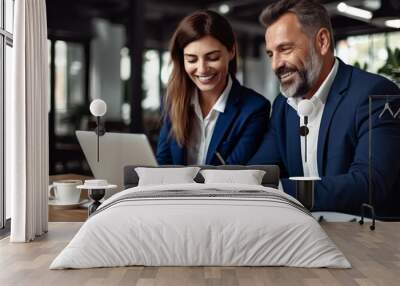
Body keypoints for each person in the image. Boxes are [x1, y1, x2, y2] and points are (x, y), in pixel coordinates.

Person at [249, 0, 400, 217]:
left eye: (285, 49)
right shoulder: (284, 106)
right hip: (309, 236)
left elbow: (369, 184)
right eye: (271, 54)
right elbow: (259, 170)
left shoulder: (376, 95)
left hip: (371, 239)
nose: (276, 65)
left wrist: (279, 191)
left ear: (322, 41)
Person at [157, 10, 271, 165]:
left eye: (212, 58)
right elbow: (163, 164)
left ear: (231, 51)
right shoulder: (173, 102)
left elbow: (233, 171)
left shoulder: (254, 108)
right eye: (191, 60)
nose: (202, 69)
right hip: (175, 189)